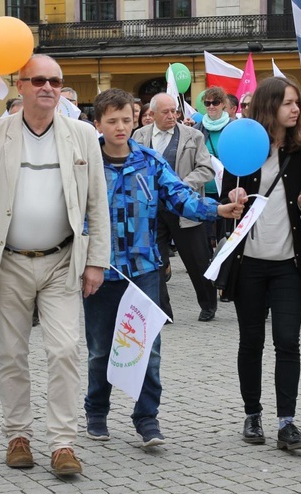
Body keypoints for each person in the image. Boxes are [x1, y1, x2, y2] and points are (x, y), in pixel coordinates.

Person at [0, 54, 110, 477]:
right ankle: (17, 435)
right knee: (12, 355)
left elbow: (97, 201)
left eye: (55, 81)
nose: (48, 87)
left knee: (64, 350)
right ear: (18, 86)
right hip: (9, 262)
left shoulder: (82, 134)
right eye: (38, 80)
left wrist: (97, 261)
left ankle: (63, 443)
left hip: (62, 262)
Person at [83, 88, 243, 445]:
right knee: (101, 348)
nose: (120, 127)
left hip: (144, 270)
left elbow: (179, 197)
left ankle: (147, 418)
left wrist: (215, 210)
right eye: (112, 121)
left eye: (126, 119)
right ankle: (96, 411)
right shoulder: (84, 162)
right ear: (97, 124)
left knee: (148, 348)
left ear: (137, 118)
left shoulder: (150, 161)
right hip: (99, 271)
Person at [222, 77, 301, 451]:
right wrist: (231, 195)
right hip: (249, 264)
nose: (295, 110)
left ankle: (287, 422)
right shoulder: (244, 147)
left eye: (297, 103)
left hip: (288, 265)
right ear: (268, 107)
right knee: (251, 340)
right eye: (287, 104)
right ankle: (252, 415)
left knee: (287, 342)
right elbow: (224, 196)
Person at [132, 93, 217, 322]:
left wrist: (181, 185)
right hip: (152, 210)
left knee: (197, 259)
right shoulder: (139, 136)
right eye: (166, 112)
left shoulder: (193, 136)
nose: (172, 116)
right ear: (152, 114)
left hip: (185, 208)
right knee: (155, 260)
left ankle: (208, 303)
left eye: (174, 111)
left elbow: (206, 169)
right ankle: (162, 311)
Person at [195, 86, 234, 248]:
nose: (211, 106)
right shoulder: (197, 128)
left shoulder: (233, 126)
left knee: (225, 232)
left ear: (223, 104)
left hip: (226, 187)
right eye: (207, 103)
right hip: (205, 187)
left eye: (215, 102)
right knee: (205, 234)